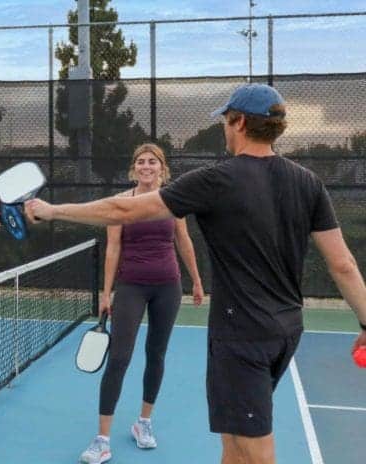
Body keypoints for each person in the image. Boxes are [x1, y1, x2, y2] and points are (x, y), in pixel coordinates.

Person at [25, 84, 366, 464]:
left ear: (238, 122)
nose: (224, 126)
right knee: (235, 440)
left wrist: (54, 211)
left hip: (243, 334)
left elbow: (123, 211)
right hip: (285, 329)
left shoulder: (216, 180)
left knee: (255, 450)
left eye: (226, 119)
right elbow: (343, 264)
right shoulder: (309, 182)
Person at [80, 143, 204, 464]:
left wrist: (196, 280)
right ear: (134, 169)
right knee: (119, 358)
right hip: (131, 286)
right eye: (141, 162)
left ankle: (143, 422)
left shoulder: (172, 200)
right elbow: (112, 249)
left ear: (162, 168)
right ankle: (102, 439)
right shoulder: (121, 204)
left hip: (168, 286)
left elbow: (183, 240)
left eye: (152, 162)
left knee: (156, 354)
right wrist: (106, 293)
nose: (146, 166)